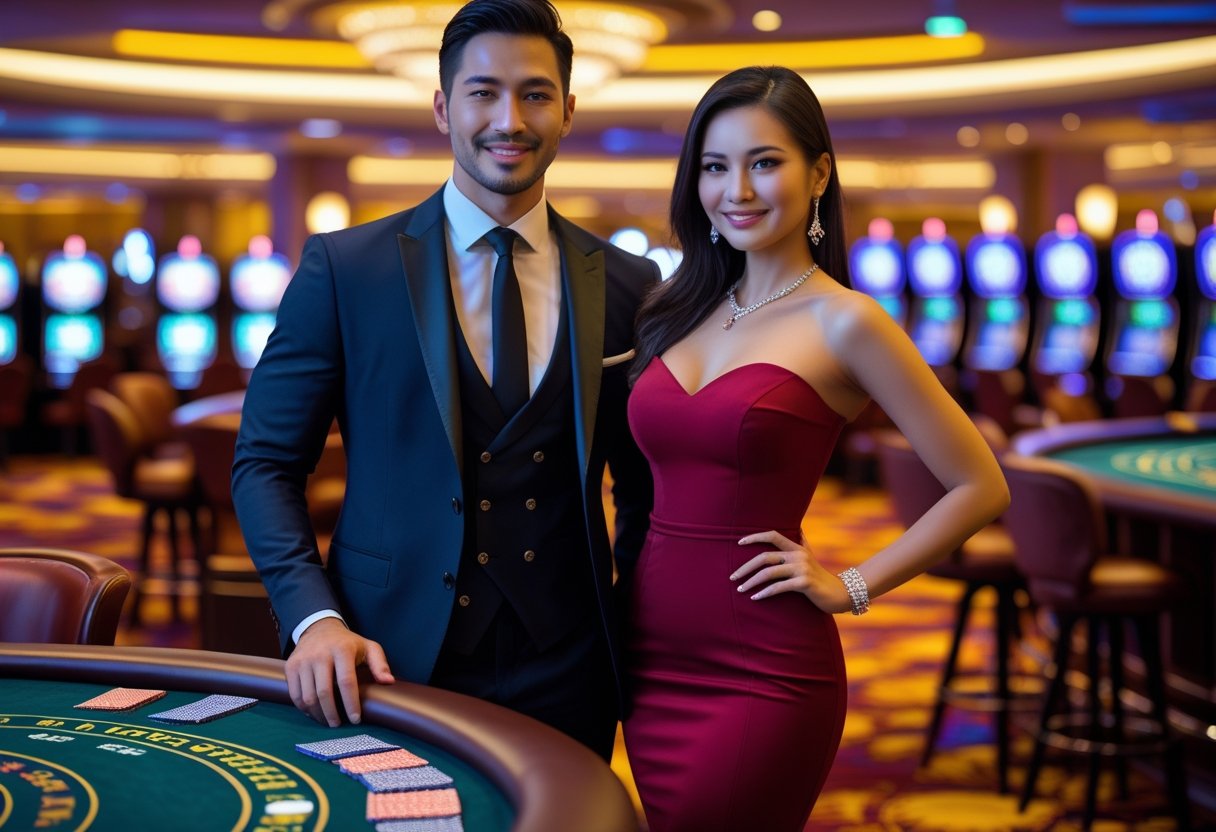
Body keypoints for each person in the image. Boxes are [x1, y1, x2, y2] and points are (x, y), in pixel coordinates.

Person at [231, 0, 657, 760]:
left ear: (567, 110)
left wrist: (642, 620)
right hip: (385, 651)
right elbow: (265, 464)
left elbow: (644, 487)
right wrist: (313, 618)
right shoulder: (346, 269)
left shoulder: (628, 281)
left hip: (572, 662)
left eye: (534, 94)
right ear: (442, 107)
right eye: (483, 92)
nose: (510, 119)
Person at [621, 66, 1011, 831]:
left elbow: (981, 485)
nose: (736, 189)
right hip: (651, 652)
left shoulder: (849, 322)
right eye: (714, 166)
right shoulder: (675, 310)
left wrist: (854, 585)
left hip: (762, 666)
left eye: (764, 162)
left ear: (819, 172)